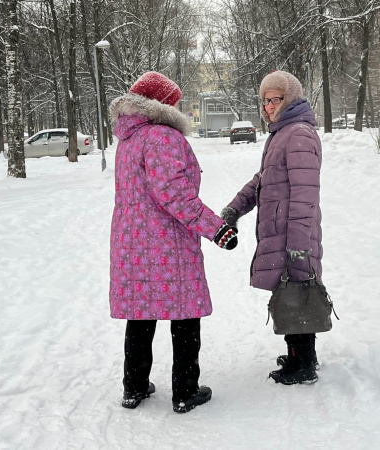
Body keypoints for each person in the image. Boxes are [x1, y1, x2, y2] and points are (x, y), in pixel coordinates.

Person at [108, 71, 238, 413]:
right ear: (163, 104)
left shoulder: (128, 140)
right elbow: (176, 195)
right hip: (167, 244)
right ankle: (185, 390)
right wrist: (217, 229)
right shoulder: (162, 137)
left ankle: (133, 387)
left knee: (141, 314)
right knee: (184, 315)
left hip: (131, 243)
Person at [221, 70, 324, 385]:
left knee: (296, 289)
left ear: (288, 98)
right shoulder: (282, 133)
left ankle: (302, 365)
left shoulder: (299, 134)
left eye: (274, 99)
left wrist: (297, 243)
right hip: (282, 230)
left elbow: (306, 194)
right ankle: (303, 355)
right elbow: (263, 180)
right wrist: (234, 208)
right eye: (265, 100)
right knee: (290, 289)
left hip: (294, 232)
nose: (268, 106)